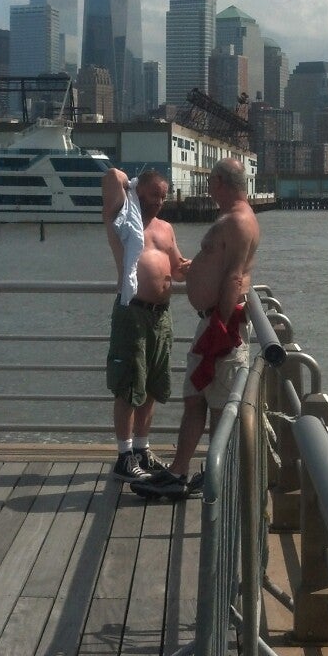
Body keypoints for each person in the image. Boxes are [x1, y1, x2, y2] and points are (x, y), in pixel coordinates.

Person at [131, 157, 260, 498]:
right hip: (210, 324)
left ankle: (215, 475)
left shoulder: (237, 221)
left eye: (210, 180)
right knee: (194, 400)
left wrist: (222, 325)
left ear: (219, 181)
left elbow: (234, 275)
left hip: (221, 327)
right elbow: (220, 266)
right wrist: (198, 266)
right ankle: (179, 473)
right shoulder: (232, 219)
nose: (207, 187)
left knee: (218, 407)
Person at [102, 167, 191, 482]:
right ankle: (124, 456)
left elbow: (178, 270)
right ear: (138, 192)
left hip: (161, 315)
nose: (160, 201)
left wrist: (205, 265)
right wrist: (131, 183)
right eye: (154, 194)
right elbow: (112, 177)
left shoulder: (166, 228)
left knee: (152, 384)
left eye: (164, 196)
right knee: (129, 385)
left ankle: (141, 448)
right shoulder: (124, 222)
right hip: (133, 313)